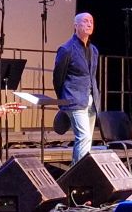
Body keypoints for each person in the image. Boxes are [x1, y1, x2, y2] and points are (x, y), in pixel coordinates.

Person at [53, 12, 100, 165]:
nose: (89, 24)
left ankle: (77, 173)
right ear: (76, 26)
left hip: (90, 99)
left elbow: (91, 76)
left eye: (91, 22)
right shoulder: (66, 49)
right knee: (84, 136)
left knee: (87, 140)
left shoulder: (93, 50)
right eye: (85, 21)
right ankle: (78, 176)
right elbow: (58, 78)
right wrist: (64, 100)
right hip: (73, 98)